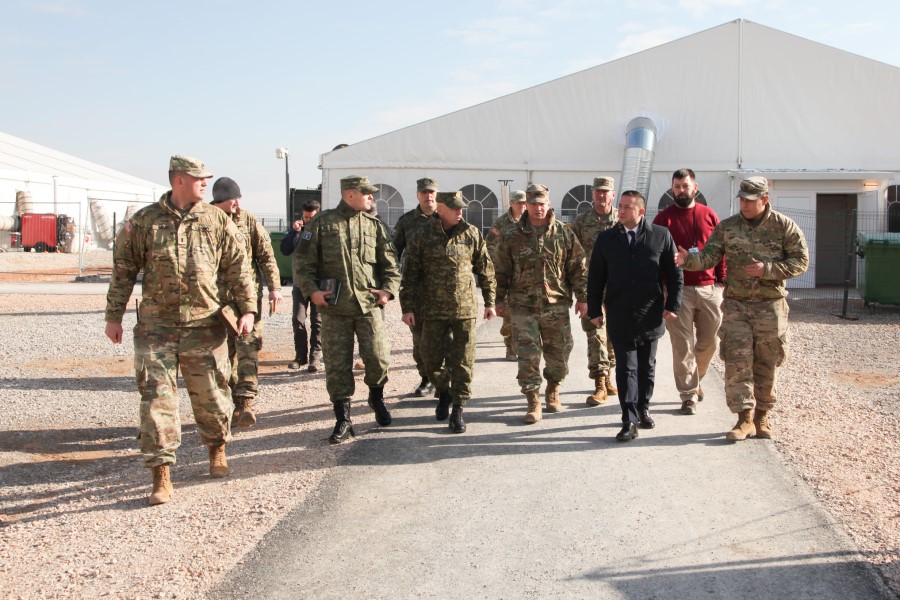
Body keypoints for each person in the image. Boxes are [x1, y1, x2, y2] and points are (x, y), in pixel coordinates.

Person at [104, 155, 257, 506]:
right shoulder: (143, 222)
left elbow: (238, 267)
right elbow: (123, 270)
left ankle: (217, 449)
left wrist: (248, 308)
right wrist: (114, 316)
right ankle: (161, 473)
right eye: (198, 178)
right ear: (178, 181)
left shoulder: (217, 219)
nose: (205, 183)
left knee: (213, 396)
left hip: (206, 326)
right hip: (156, 328)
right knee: (156, 400)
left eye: (207, 178)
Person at [677, 176, 809, 441]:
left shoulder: (783, 226)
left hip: (770, 306)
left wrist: (768, 270)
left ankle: (762, 417)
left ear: (764, 200)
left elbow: (801, 261)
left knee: (767, 361)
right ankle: (744, 419)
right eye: (741, 200)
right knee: (738, 362)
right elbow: (709, 257)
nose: (744, 205)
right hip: (737, 305)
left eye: (750, 201)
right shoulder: (728, 227)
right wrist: (687, 260)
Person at [294, 175, 401, 444]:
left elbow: (390, 264)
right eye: (367, 194)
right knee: (338, 365)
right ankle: (343, 419)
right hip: (334, 309)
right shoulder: (322, 223)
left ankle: (376, 398)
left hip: (368, 306)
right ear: (350, 194)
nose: (371, 198)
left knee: (377, 358)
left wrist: (387, 290)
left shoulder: (374, 226)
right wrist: (312, 291)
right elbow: (302, 262)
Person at [588, 190, 682, 442]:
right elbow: (596, 276)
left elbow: (674, 275)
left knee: (646, 367)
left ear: (641, 211)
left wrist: (672, 305)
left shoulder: (660, 235)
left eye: (628, 207)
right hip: (619, 313)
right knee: (626, 369)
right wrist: (595, 310)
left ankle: (643, 408)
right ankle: (628, 420)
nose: (621, 210)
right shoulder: (606, 239)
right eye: (621, 206)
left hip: (650, 313)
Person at [400, 190, 496, 433]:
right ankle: (443, 391)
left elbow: (485, 270)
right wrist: (407, 307)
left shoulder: (471, 233)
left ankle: (458, 409)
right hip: (431, 310)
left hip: (464, 309)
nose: (460, 212)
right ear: (441, 209)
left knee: (463, 362)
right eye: (455, 208)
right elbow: (409, 273)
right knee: (430, 360)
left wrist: (490, 302)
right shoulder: (422, 235)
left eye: (461, 208)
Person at [494, 183, 587, 424]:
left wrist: (583, 298)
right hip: (523, 306)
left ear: (548, 204)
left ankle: (553, 388)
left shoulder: (563, 233)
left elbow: (577, 267)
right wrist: (499, 300)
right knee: (527, 355)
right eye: (533, 204)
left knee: (559, 352)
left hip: (555, 305)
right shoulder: (512, 234)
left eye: (541, 204)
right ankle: (533, 399)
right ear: (527, 205)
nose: (537, 208)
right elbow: (502, 269)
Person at [210, 177, 283, 428]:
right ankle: (232, 397)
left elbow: (266, 256)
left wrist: (274, 288)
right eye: (233, 198)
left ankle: (245, 402)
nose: (237, 203)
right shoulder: (205, 219)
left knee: (248, 348)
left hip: (247, 299)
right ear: (221, 199)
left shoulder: (248, 220)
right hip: (216, 303)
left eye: (239, 198)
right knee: (222, 355)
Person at [653, 169, 726, 416]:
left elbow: (720, 250)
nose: (681, 191)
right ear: (672, 189)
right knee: (683, 345)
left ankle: (696, 380)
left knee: (709, 343)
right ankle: (688, 395)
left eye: (685, 186)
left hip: (709, 288)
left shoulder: (709, 215)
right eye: (677, 187)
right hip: (678, 291)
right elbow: (655, 255)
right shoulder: (663, 219)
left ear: (695, 187)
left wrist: (721, 281)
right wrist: (662, 288)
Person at [571, 176, 620, 406]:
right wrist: (578, 292)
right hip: (592, 288)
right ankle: (599, 382)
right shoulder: (582, 222)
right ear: (593, 194)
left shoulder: (622, 219)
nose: (602, 195)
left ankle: (609, 376)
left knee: (613, 336)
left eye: (606, 191)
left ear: (613, 194)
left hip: (619, 288)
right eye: (598, 191)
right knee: (596, 334)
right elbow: (574, 257)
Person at [392, 177, 440, 397]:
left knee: (445, 338)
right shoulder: (407, 221)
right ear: (418, 195)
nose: (428, 196)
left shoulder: (447, 218)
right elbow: (392, 253)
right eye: (424, 193)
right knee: (420, 338)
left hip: (444, 291)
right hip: (416, 290)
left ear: (436, 194)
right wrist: (391, 282)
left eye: (431, 192)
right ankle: (426, 378)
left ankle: (444, 380)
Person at [280, 199, 322, 372]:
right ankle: (300, 356)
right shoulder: (298, 231)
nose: (307, 220)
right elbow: (285, 250)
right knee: (298, 320)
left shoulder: (324, 233)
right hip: (299, 284)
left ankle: (316, 357)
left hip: (319, 284)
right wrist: (293, 232)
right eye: (305, 217)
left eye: (310, 217)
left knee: (317, 322)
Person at [486, 189, 527, 361]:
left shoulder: (531, 221)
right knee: (510, 313)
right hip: (507, 274)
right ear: (511, 204)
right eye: (519, 203)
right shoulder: (502, 223)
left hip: (526, 275)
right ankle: (510, 347)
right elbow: (489, 246)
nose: (522, 206)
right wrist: (498, 265)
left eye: (524, 203)